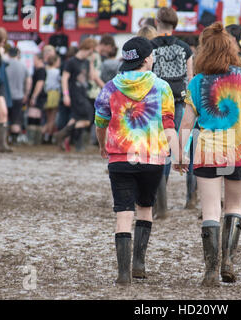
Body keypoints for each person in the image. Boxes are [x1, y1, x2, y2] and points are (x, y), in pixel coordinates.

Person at [177, 22, 241, 287]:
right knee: (234, 207)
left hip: (207, 151)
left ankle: (210, 270)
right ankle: (228, 262)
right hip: (238, 150)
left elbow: (186, 123)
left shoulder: (198, 82)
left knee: (210, 210)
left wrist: (179, 155)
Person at [94, 37, 181, 285]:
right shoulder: (162, 87)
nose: (153, 59)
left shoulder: (110, 87)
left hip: (119, 158)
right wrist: (178, 156)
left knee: (123, 212)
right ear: (145, 60)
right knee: (145, 207)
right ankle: (139, 264)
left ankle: (123, 274)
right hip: (152, 159)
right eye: (152, 55)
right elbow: (168, 126)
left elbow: (100, 122)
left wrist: (102, 146)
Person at [151, 7, 194, 218]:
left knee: (158, 149)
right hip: (179, 100)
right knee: (175, 146)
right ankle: (185, 198)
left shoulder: (150, 46)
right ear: (175, 24)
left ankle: (160, 202)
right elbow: (191, 76)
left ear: (156, 21)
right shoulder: (185, 48)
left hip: (157, 102)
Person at [55, 38, 98, 152]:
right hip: (74, 93)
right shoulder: (71, 62)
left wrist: (92, 63)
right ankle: (76, 143)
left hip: (83, 93)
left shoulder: (86, 62)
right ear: (88, 48)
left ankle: (62, 137)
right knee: (88, 118)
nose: (92, 53)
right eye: (92, 51)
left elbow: (92, 78)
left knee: (76, 118)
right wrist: (66, 95)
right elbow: (64, 78)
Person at [5, 47, 31, 145]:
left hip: (6, 96)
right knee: (16, 119)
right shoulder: (23, 66)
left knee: (4, 118)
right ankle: (15, 140)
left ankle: (5, 139)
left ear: (8, 54)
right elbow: (28, 81)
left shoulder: (5, 64)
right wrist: (26, 93)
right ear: (18, 54)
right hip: (19, 96)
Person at [27, 53, 47, 145]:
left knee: (33, 116)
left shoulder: (41, 70)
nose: (33, 61)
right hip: (40, 96)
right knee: (36, 116)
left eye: (35, 59)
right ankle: (36, 141)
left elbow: (40, 84)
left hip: (38, 96)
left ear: (40, 59)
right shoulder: (39, 70)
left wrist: (34, 97)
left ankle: (32, 141)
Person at [42, 54, 61, 143]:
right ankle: (47, 135)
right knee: (52, 118)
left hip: (46, 93)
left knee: (48, 116)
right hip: (54, 93)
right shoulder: (57, 72)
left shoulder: (45, 70)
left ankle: (44, 134)